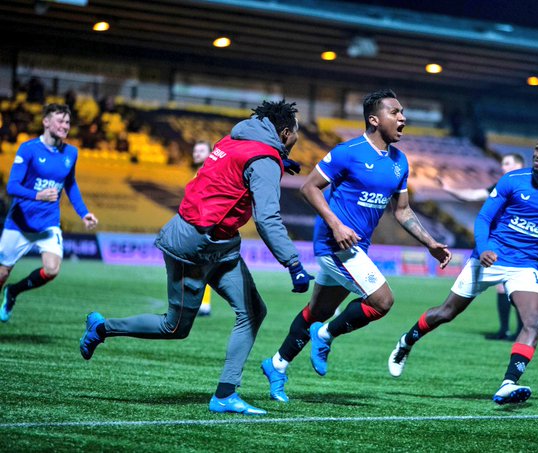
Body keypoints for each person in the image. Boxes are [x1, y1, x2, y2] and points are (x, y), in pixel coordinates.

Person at [79, 99, 313, 416]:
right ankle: (102, 328)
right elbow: (267, 220)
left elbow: (232, 174)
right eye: (296, 133)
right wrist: (294, 264)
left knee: (253, 311)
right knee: (175, 327)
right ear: (285, 132)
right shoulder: (264, 160)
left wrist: (280, 164)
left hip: (218, 244)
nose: (296, 138)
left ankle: (225, 395)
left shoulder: (235, 139)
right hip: (195, 246)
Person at [261, 89, 451, 403]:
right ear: (374, 120)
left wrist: (430, 243)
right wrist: (336, 225)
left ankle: (276, 364)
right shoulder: (348, 152)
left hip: (357, 248)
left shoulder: (399, 162)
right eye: (395, 112)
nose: (403, 118)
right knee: (382, 301)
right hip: (334, 244)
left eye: (403, 112)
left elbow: (401, 210)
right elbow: (310, 189)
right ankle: (326, 335)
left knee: (317, 310)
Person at [387, 134, 538, 405]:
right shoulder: (513, 180)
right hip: (487, 258)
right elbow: (484, 217)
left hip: (523, 266)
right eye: (536, 148)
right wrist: (485, 246)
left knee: (534, 322)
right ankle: (406, 343)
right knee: (446, 312)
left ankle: (508, 383)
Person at [0, 104, 98, 322]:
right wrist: (38, 195)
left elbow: (70, 184)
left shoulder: (71, 153)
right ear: (46, 122)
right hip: (19, 223)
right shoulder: (28, 149)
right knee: (2, 273)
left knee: (52, 270)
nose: (65, 126)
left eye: (68, 122)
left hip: (48, 223)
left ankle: (13, 291)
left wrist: (84, 213)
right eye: (60, 121)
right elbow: (12, 187)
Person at [446, 153, 526, 341]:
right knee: (503, 287)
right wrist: (450, 188)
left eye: (507, 163)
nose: (503, 167)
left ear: (519, 165)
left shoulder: (528, 187)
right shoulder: (503, 186)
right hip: (500, 242)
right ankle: (507, 330)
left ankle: (519, 330)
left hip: (518, 244)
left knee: (515, 289)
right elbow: (474, 194)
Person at [191, 140, 215, 317]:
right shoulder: (199, 172)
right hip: (200, 224)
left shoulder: (208, 172)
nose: (196, 153)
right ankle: (201, 302)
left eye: (201, 150)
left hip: (206, 225)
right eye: (195, 151)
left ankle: (204, 304)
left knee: (203, 264)